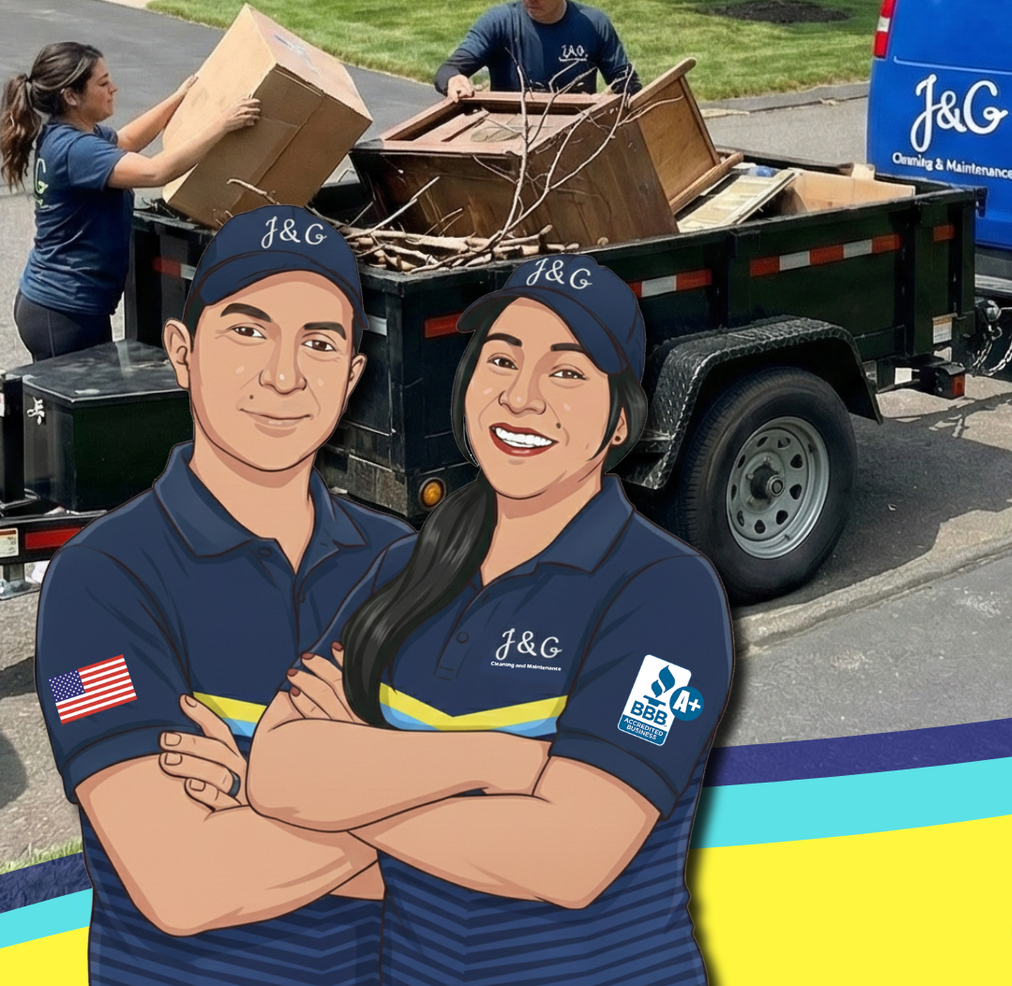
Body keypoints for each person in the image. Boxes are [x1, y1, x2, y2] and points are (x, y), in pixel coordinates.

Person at [242, 255, 733, 986]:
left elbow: (569, 857)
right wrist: (493, 761)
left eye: (567, 373)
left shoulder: (665, 593)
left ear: (620, 418)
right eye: (501, 359)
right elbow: (276, 769)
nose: (522, 397)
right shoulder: (406, 570)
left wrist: (346, 790)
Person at [34, 206, 412, 984]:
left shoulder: (405, 568)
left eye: (318, 342)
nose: (283, 374)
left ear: (352, 376)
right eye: (248, 331)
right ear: (183, 351)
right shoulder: (102, 581)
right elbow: (184, 880)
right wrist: (411, 806)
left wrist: (259, 803)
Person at [4, 43, 262, 361]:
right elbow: (156, 172)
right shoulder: (76, 150)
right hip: (63, 312)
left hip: (62, 306)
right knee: (73, 408)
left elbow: (126, 140)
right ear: (71, 96)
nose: (114, 88)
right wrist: (223, 124)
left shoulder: (72, 133)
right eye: (102, 83)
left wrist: (179, 97)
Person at [435, 0, 634, 100]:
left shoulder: (594, 24)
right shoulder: (498, 22)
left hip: (576, 131)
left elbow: (627, 85)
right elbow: (448, 70)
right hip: (509, 131)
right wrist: (454, 80)